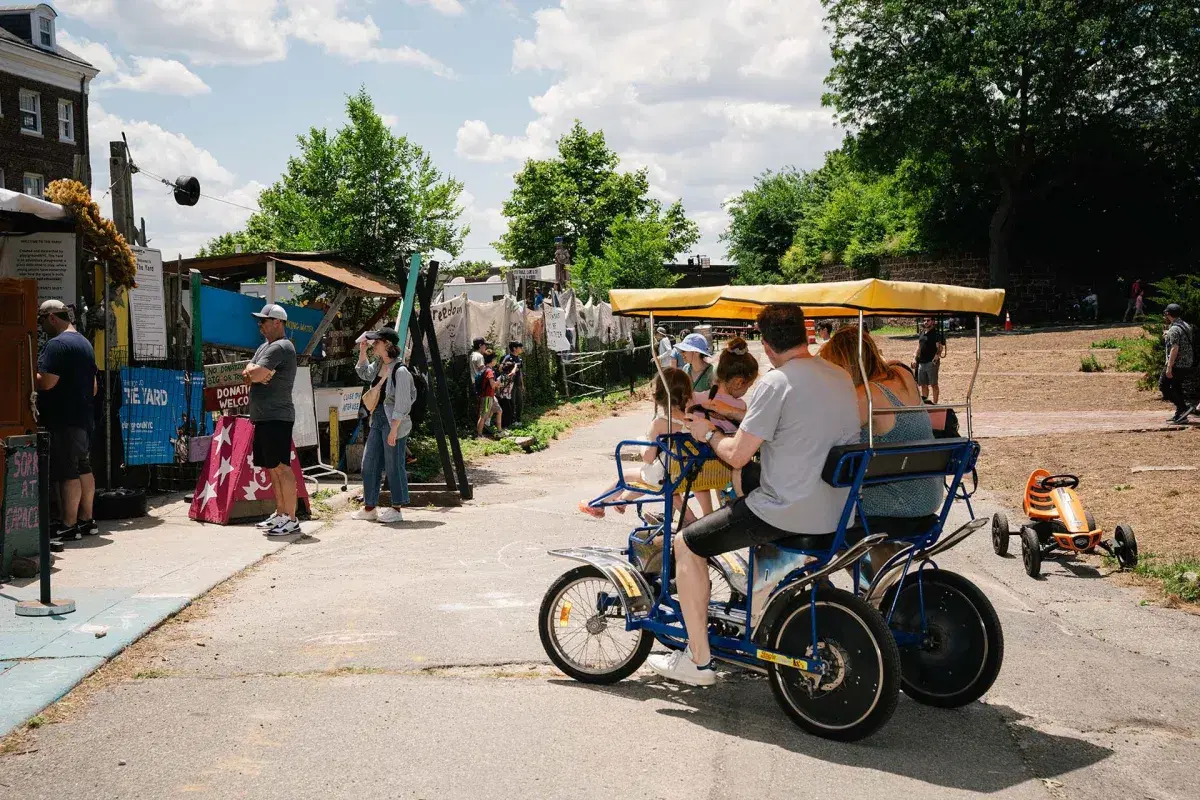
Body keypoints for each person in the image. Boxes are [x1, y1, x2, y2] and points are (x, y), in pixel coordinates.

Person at [647, 304, 860, 685]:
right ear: (805, 332)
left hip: (785, 511)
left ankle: (697, 662)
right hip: (837, 510)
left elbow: (737, 454)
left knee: (686, 543)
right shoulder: (840, 377)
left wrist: (707, 434)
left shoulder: (775, 384)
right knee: (744, 489)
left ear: (765, 342)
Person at [820, 326, 944, 578]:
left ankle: (872, 585)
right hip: (927, 493)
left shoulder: (864, 396)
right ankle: (881, 576)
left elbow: (822, 433)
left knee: (822, 515)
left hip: (901, 502)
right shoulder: (901, 374)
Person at [579, 367, 696, 520]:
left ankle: (598, 504)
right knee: (659, 484)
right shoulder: (693, 419)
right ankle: (693, 523)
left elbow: (648, 457)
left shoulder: (660, 423)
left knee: (629, 475)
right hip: (688, 473)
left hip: (665, 475)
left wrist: (642, 443)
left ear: (658, 396)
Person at [35, 300, 98, 540]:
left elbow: (47, 382)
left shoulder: (56, 345)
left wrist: (30, 373)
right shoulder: (84, 343)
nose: (41, 326)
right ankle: (87, 520)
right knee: (83, 465)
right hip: (83, 417)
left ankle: (68, 525)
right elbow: (93, 388)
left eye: (42, 320)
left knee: (66, 471)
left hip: (63, 419)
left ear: (52, 317)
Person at [242, 303, 300, 537]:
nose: (260, 326)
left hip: (277, 416)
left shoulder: (281, 347)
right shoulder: (264, 347)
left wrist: (255, 374)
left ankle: (292, 518)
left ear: (278, 322)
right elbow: (248, 372)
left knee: (282, 468)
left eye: (264, 322)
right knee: (272, 468)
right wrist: (255, 373)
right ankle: (281, 513)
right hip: (264, 417)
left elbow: (254, 374)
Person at [353, 329, 416, 523]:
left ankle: (396, 507)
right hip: (378, 419)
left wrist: (395, 430)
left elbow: (403, 404)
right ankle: (370, 507)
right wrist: (362, 351)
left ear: (387, 344)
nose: (374, 345)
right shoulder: (380, 363)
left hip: (393, 421)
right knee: (369, 463)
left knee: (393, 465)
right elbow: (364, 373)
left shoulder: (401, 371)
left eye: (376, 342)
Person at [1161, 304, 1194, 425]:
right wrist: (1167, 335)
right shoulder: (1185, 325)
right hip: (1187, 362)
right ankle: (1180, 414)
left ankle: (1184, 408)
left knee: (1164, 386)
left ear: (1168, 314)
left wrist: (1169, 367)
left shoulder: (1174, 329)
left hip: (1176, 363)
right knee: (1176, 387)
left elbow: (1175, 348)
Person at [913, 317, 946, 404]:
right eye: (924, 320)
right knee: (923, 385)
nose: (926, 322)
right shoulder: (922, 332)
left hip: (930, 363)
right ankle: (925, 403)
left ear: (933, 322)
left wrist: (935, 359)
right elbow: (919, 346)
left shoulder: (936, 334)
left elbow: (940, 348)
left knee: (934, 384)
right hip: (921, 362)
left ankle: (935, 404)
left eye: (928, 320)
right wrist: (914, 358)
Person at [476, 351, 504, 437]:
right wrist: (499, 381)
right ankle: (479, 435)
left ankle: (499, 431)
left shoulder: (486, 369)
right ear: (492, 360)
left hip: (491, 396)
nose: (496, 361)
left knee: (499, 411)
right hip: (487, 397)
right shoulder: (489, 371)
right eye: (495, 359)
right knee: (483, 415)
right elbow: (492, 385)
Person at [499, 341, 525, 426]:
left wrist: (522, 384)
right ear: (514, 348)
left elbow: (520, 372)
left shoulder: (520, 359)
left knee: (519, 402)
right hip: (510, 384)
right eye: (520, 347)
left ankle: (518, 419)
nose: (521, 349)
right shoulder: (507, 357)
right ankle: (512, 421)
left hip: (518, 383)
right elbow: (500, 368)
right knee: (512, 402)